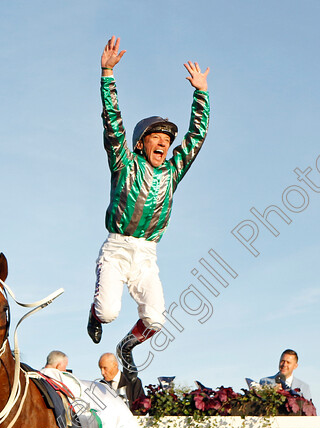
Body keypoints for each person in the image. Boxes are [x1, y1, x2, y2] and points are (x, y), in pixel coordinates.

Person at [86, 36, 211, 372]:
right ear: (141, 144)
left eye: (168, 141)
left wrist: (201, 93)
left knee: (156, 319)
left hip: (147, 254)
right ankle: (95, 311)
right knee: (108, 312)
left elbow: (196, 138)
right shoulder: (124, 164)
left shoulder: (172, 172)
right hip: (117, 248)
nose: (164, 144)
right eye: (157, 139)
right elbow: (112, 125)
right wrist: (107, 73)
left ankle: (127, 344)